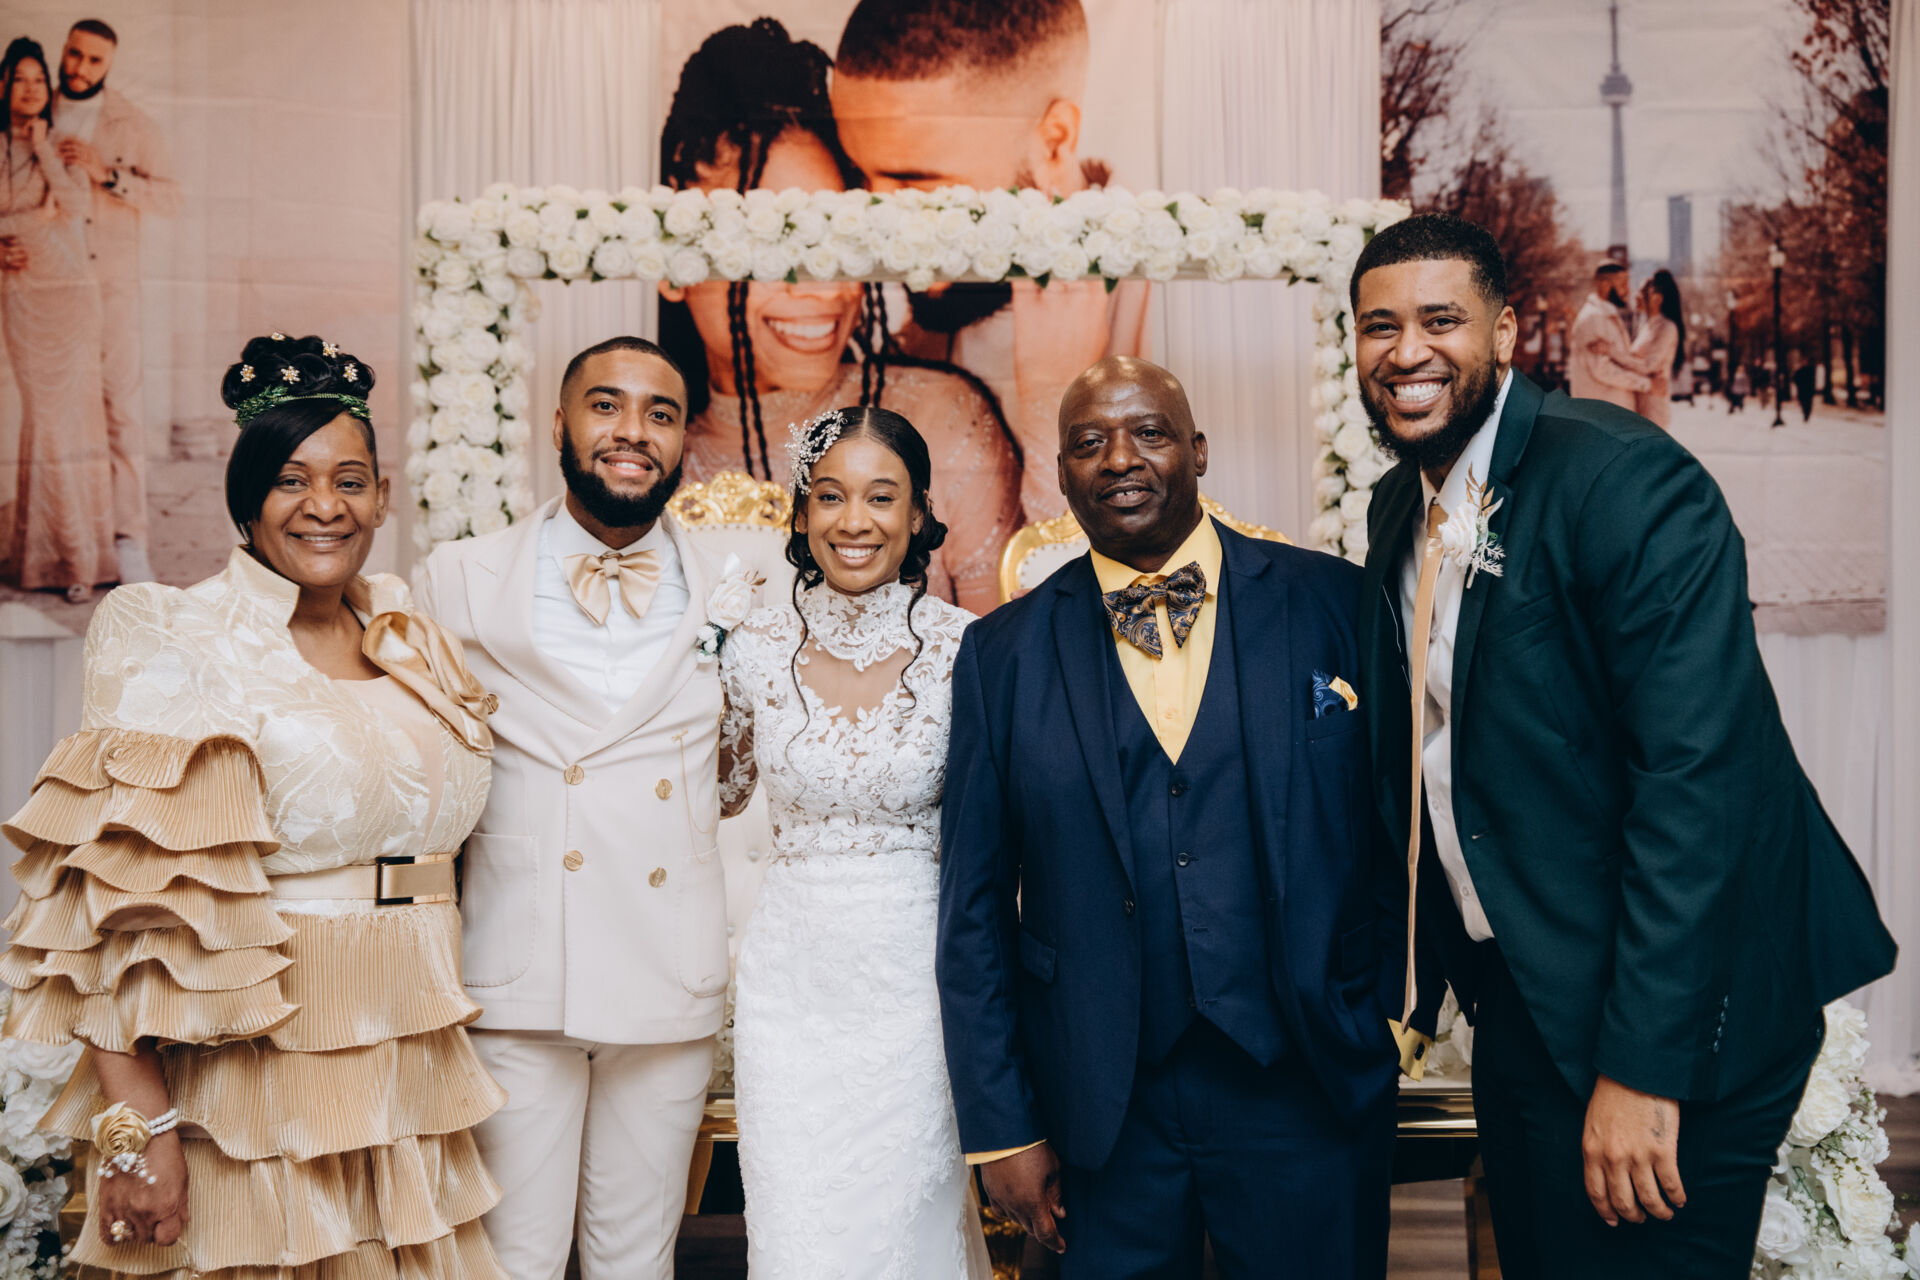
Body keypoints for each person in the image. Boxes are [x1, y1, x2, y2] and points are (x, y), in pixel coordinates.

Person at [1349, 213, 1896, 1280]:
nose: (1407, 351)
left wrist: (1647, 1069)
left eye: (1440, 320)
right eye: (1380, 326)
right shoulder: (1392, 509)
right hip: (1528, 985)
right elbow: (1429, 752)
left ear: (1506, 335)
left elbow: (1698, 785)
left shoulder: (1625, 481)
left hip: (1676, 1004)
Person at [0, 333, 507, 1277]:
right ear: (245, 499)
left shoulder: (409, 635)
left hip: (410, 1064)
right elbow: (112, 911)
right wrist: (138, 1133)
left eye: (349, 481)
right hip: (249, 1075)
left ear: (382, 495)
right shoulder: (177, 634)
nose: (325, 506)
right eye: (289, 481)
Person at [939, 356, 1403, 1278]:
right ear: (1061, 473)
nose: (1120, 458)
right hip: (1100, 1104)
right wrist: (1003, 1129)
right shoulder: (1001, 655)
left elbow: (1396, 824)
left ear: (1197, 451)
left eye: (1148, 433)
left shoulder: (1334, 602)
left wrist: (1372, 1003)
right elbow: (974, 910)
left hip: (1303, 1077)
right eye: (1089, 442)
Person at [418, 335, 738, 1280]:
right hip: (520, 976)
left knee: (637, 1261)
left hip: (667, 974)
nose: (632, 431)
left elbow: (742, 772)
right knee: (512, 1260)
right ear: (557, 423)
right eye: (606, 405)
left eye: (659, 413)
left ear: (683, 441)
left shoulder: (739, 586)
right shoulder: (457, 577)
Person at [717, 406, 991, 1278]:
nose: (853, 521)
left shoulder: (968, 650)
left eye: (881, 496)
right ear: (802, 513)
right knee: (798, 1233)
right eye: (830, 496)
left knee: (901, 1230)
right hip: (789, 992)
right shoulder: (750, 647)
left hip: (917, 989)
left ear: (918, 514)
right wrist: (694, 670)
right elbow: (720, 792)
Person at [659, 18, 1021, 614]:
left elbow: (1008, 653)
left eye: (837, 241)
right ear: (673, 263)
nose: (824, 288)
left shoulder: (943, 422)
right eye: (773, 244)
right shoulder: (645, 462)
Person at [832, 0, 1152, 522]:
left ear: (1054, 142)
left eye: (915, 182)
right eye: (859, 175)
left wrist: (1062, 405)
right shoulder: (892, 314)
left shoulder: (1174, 307)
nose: (878, 220)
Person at [51, 18, 179, 586]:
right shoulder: (30, 107)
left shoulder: (133, 124)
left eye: (94, 60)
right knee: (51, 416)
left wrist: (108, 174)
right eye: (74, 54)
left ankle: (129, 539)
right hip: (46, 289)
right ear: (63, 50)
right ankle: (64, 539)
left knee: (120, 411)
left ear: (110, 64)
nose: (79, 68)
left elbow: (171, 198)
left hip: (111, 289)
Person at [0, 37, 112, 603]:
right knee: (42, 419)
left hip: (70, 295)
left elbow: (74, 207)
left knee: (73, 421)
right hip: (23, 296)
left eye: (38, 80)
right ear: (3, 85)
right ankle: (37, 555)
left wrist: (43, 148)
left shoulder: (61, 143)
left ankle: (79, 558)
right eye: (19, 79)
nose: (30, 89)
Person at [1567, 260, 1650, 410]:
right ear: (1605, 285)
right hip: (1601, 415)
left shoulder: (1606, 316)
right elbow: (1602, 370)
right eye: (1623, 284)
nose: (1628, 291)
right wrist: (1646, 384)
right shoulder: (1593, 318)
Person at [1621, 268, 1684, 429]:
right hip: (1637, 405)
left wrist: (1613, 355)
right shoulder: (1645, 327)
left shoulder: (1667, 328)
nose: (1636, 296)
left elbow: (1649, 365)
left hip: (1654, 408)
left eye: (1642, 292)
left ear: (1657, 299)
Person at [1793, 352, 1817, 423]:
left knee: (1808, 404)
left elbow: (1813, 380)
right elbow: (1795, 379)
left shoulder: (1810, 370)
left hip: (1808, 390)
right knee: (1803, 403)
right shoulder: (1799, 371)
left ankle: (1807, 415)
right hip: (1801, 390)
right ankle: (1805, 414)